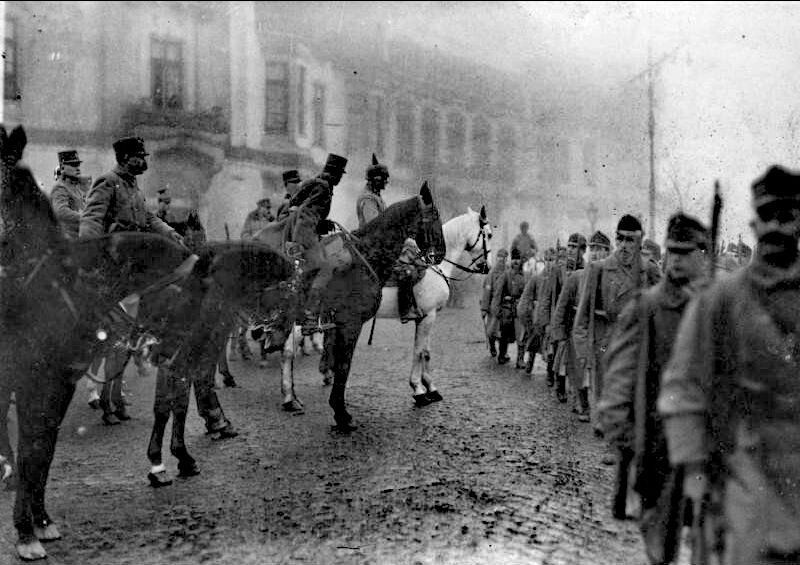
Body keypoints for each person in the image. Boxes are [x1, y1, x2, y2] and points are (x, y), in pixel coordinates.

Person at [658, 165, 800, 565]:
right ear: (754, 223)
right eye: (767, 216)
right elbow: (683, 386)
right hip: (746, 468)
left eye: (786, 216)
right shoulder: (720, 301)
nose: (776, 227)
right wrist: (694, 474)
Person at [599, 213, 709, 561]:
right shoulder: (646, 307)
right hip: (657, 445)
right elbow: (620, 374)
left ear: (701, 255)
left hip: (704, 446)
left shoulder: (715, 307)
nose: (675, 260)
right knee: (660, 542)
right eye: (671, 252)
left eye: (685, 252)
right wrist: (621, 431)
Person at [79, 136, 183, 424]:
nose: (144, 162)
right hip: (115, 266)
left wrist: (172, 233)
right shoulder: (107, 181)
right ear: (126, 158)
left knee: (131, 332)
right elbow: (91, 220)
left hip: (134, 264)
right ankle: (106, 400)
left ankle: (115, 397)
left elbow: (149, 219)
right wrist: (89, 256)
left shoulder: (133, 186)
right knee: (116, 334)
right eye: (140, 157)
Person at [573, 214, 661, 443]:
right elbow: (581, 318)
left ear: (639, 242)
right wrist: (585, 353)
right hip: (606, 345)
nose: (624, 246)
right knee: (607, 407)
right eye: (620, 239)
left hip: (637, 343)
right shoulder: (599, 269)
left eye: (630, 240)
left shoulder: (649, 270)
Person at [551, 230, 611, 419]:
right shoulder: (576, 277)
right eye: (592, 249)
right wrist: (558, 333)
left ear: (608, 253)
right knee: (580, 369)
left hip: (602, 332)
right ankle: (582, 404)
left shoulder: (611, 280)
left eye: (600, 250)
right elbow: (561, 307)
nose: (595, 253)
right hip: (580, 330)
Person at [288, 153, 347, 335]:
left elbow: (295, 202)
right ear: (334, 173)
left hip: (304, 231)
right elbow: (307, 210)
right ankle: (310, 317)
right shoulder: (323, 187)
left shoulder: (316, 183)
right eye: (339, 174)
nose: (339, 179)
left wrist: (323, 222)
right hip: (306, 233)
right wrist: (318, 224)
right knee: (324, 267)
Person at [547, 232, 587, 402]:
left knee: (578, 358)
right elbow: (551, 296)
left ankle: (577, 392)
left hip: (580, 321)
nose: (570, 250)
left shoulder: (587, 269)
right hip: (564, 319)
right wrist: (552, 323)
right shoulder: (558, 270)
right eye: (569, 246)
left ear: (583, 251)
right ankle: (560, 384)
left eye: (574, 247)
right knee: (561, 355)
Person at [489, 249, 526, 365]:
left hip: (519, 309)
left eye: (518, 259)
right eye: (514, 259)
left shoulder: (525, 276)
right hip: (506, 309)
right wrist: (496, 310)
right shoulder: (506, 275)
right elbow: (498, 293)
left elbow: (527, 293)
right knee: (504, 334)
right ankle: (502, 355)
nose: (516, 261)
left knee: (521, 334)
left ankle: (520, 359)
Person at [50, 150, 88, 239]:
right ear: (62, 168)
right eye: (73, 165)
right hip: (69, 237)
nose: (78, 168)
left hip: (81, 233)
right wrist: (87, 218)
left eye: (78, 165)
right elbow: (61, 212)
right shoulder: (60, 188)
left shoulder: (76, 187)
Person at [481, 248, 508, 357]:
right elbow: (487, 292)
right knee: (491, 330)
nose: (501, 259)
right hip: (493, 306)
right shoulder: (491, 273)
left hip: (505, 307)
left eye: (503, 257)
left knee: (504, 331)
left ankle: (503, 353)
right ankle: (492, 346)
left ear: (507, 259)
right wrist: (484, 308)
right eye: (499, 257)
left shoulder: (508, 271)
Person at [392, 238, 427, 322]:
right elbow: (413, 258)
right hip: (398, 266)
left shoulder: (410, 242)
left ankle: (415, 308)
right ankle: (404, 313)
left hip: (402, 265)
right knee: (406, 278)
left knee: (411, 280)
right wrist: (423, 264)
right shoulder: (408, 246)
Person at [356, 153, 389, 227]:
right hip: (370, 237)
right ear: (376, 180)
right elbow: (373, 224)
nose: (386, 182)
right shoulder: (368, 198)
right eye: (384, 179)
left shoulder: (375, 195)